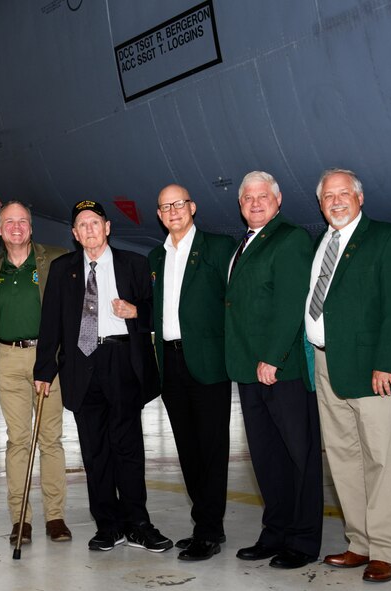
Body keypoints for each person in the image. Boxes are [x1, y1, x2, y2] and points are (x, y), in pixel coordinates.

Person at [33, 200, 172, 553]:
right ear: (75, 234)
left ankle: (138, 523)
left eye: (95, 222)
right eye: (82, 225)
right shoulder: (63, 270)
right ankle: (108, 525)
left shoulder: (134, 265)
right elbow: (50, 324)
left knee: (127, 448)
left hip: (121, 359)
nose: (89, 229)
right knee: (95, 451)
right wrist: (44, 370)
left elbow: (157, 312)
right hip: (81, 363)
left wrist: (136, 311)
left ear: (108, 228)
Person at [306, 168, 391, 583]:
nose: (335, 201)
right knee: (343, 459)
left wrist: (387, 361)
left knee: (379, 459)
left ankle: (385, 548)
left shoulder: (388, 237)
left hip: (372, 368)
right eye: (328, 196)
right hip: (325, 362)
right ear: (320, 204)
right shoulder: (323, 241)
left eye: (343, 193)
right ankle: (359, 542)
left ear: (360, 198)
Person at [225, 171, 323, 569]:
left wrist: (274, 357)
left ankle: (302, 539)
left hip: (280, 370)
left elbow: (291, 304)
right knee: (266, 458)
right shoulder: (244, 245)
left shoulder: (290, 239)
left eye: (263, 196)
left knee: (299, 456)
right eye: (248, 197)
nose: (255, 202)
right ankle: (276, 530)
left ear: (278, 201)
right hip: (250, 370)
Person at [147, 185, 234, 561]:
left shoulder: (218, 247)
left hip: (209, 362)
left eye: (179, 204)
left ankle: (209, 531)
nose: (173, 211)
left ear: (192, 207)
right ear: (159, 214)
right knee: (187, 450)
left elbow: (235, 302)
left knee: (212, 449)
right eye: (165, 206)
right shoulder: (156, 257)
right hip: (171, 363)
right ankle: (205, 523)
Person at [0, 201, 72, 545]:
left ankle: (55, 517)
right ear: (0, 230)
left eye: (22, 222)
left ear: (31, 228)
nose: (16, 227)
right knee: (18, 441)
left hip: (47, 358)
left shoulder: (54, 259)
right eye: (9, 222)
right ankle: (21, 519)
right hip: (8, 359)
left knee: (50, 440)